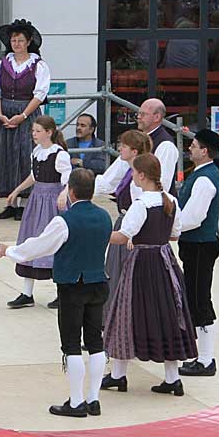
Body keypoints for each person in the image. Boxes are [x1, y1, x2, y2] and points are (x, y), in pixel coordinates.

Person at [0, 169, 113, 418]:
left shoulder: (64, 220)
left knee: (71, 344)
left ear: (70, 191)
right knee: (95, 341)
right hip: (98, 282)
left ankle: (76, 402)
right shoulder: (105, 217)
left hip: (72, 285)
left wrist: (8, 251)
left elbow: (37, 247)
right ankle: (93, 399)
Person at [101, 154, 197, 397]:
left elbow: (122, 237)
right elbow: (175, 234)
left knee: (125, 314)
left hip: (142, 265)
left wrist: (96, 234)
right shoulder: (171, 200)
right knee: (168, 315)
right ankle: (172, 379)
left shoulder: (142, 204)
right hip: (165, 263)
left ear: (142, 175)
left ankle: (118, 375)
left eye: (133, 172)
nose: (132, 176)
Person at [0, 20, 51, 220]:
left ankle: (24, 204)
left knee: (25, 156)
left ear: (28, 42)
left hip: (27, 115)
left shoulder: (38, 65)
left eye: (20, 40)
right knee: (5, 156)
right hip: (4, 113)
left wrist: (22, 116)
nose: (16, 43)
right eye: (14, 40)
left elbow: (40, 94)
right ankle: (11, 203)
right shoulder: (1, 64)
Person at [5, 116, 71, 310]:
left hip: (52, 202)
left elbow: (68, 178)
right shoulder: (37, 152)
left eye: (38, 131)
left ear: (49, 132)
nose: (34, 134)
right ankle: (27, 293)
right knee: (30, 240)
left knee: (55, 243)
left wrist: (64, 194)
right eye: (33, 131)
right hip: (36, 201)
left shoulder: (59, 154)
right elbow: (35, 175)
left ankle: (62, 292)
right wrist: (17, 190)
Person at [87, 130, 152, 317]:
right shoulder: (127, 169)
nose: (119, 149)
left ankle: (122, 321)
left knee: (124, 276)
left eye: (123, 146)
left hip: (131, 229)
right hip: (123, 223)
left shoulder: (139, 178)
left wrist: (132, 234)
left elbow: (142, 208)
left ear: (134, 151)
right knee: (114, 273)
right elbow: (106, 184)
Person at [177, 129, 219, 378]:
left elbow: (194, 217)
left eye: (193, 145)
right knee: (195, 296)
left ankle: (206, 360)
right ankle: (201, 356)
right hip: (198, 244)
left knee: (199, 299)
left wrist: (171, 229)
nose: (190, 149)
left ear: (204, 151)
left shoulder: (205, 179)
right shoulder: (201, 174)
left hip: (201, 245)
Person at [136, 98, 179, 194]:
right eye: (138, 113)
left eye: (143, 114)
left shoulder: (166, 145)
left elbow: (162, 184)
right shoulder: (140, 139)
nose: (138, 117)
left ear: (157, 117)